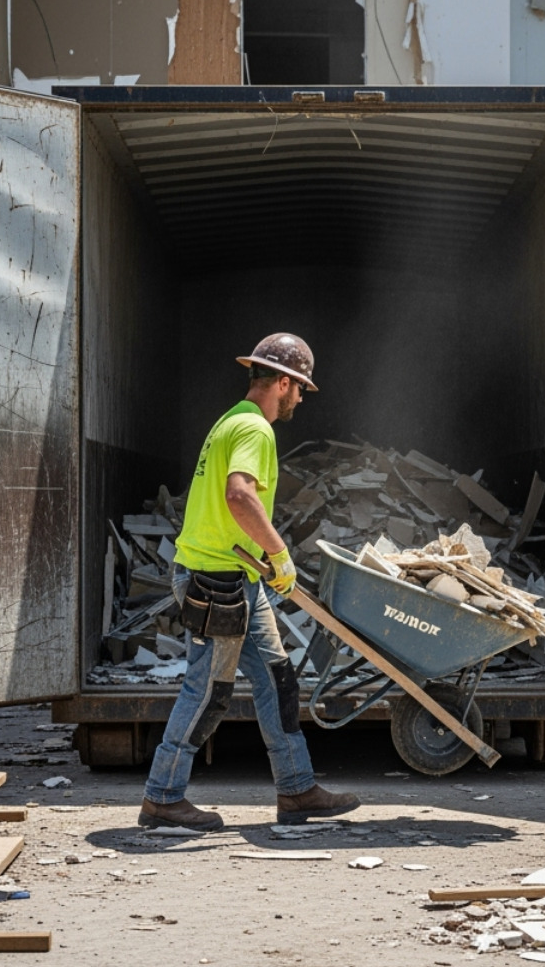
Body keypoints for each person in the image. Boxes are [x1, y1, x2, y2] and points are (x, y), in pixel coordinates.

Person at [138, 333, 361, 832]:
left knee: (277, 679)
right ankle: (162, 797)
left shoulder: (229, 421)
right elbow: (239, 496)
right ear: (282, 383)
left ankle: (297, 789)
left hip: (233, 576)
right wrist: (280, 553)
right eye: (299, 388)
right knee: (207, 690)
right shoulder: (255, 429)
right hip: (217, 580)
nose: (301, 398)